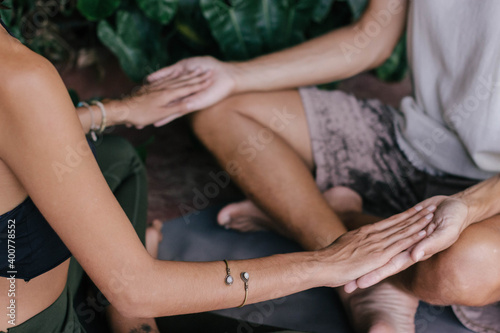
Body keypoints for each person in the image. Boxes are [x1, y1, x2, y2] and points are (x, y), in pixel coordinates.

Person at [0, 10, 434, 333]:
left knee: (112, 159)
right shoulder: (20, 76)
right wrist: (325, 264)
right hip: (34, 320)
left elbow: (23, 131)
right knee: (135, 287)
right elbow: (137, 286)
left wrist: (120, 109)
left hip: (14, 285)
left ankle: (128, 319)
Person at [146, 0, 500, 332]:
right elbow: (369, 39)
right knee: (219, 113)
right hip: (413, 139)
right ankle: (356, 282)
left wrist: (468, 207)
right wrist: (232, 75)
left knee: (463, 267)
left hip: (492, 191)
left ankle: (320, 216)